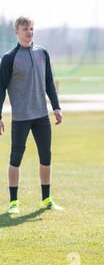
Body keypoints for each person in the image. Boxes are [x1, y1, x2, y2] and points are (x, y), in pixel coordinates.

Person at [0, 16, 63, 215]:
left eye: (32, 29)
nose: (29, 32)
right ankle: (13, 203)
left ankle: (46, 199)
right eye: (25, 29)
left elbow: (49, 82)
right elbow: (1, 88)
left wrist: (56, 106)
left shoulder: (42, 53)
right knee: (15, 158)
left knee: (46, 157)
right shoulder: (9, 58)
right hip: (20, 117)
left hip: (41, 116)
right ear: (16, 31)